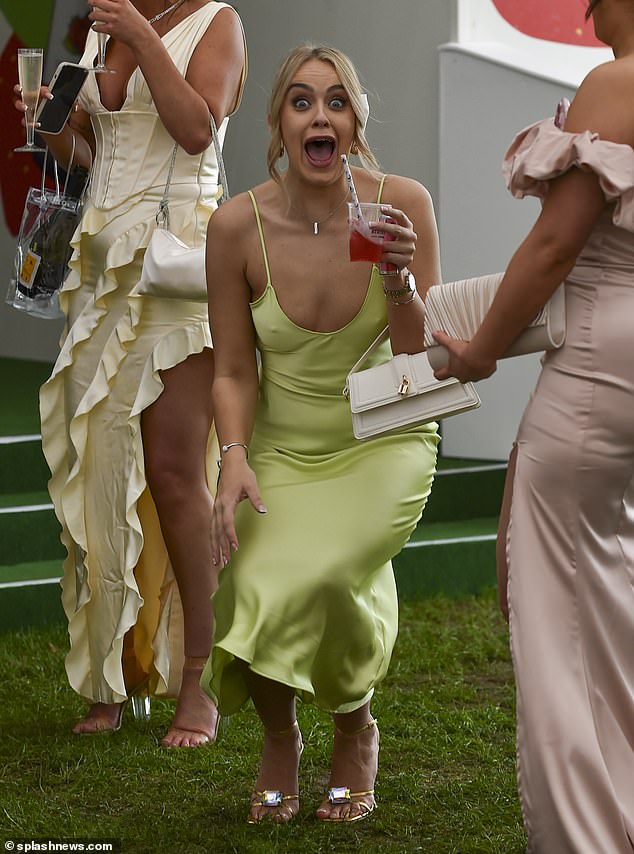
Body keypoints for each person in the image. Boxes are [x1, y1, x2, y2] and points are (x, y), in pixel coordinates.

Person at [201, 43, 440, 824]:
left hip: (383, 435)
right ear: (278, 124)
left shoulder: (392, 205)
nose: (320, 115)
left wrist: (399, 279)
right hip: (278, 441)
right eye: (302, 101)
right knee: (264, 577)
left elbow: (420, 355)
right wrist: (233, 457)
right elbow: (234, 372)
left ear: (354, 125)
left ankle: (354, 723)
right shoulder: (238, 226)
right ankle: (279, 739)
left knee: (332, 571)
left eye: (336, 102)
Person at [13, 0, 247, 747]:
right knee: (99, 467)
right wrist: (46, 119)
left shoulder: (215, 20)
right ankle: (109, 676)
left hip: (177, 269)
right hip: (101, 267)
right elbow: (90, 155)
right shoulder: (101, 28)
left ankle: (198, 681)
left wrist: (142, 36)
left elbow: (195, 128)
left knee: (176, 475)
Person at [433, 1, 634, 849]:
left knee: (555, 608)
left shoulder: (617, 82)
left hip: (600, 358)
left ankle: (587, 833)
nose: (586, 4)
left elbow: (554, 246)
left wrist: (479, 351)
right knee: (612, 591)